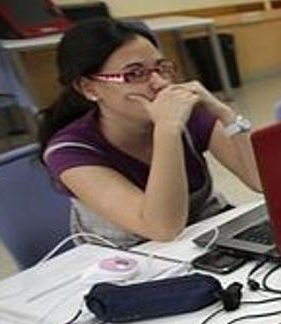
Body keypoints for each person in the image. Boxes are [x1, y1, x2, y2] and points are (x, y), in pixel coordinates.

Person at [39, 18, 261, 246]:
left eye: (161, 68)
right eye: (135, 74)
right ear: (89, 88)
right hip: (131, 264)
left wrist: (226, 114)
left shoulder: (188, 115)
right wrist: (167, 130)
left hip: (208, 238)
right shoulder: (69, 151)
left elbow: (261, 182)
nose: (160, 83)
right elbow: (163, 228)